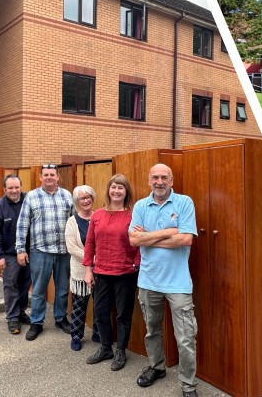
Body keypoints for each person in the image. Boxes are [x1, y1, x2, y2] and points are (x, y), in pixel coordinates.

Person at [128, 164, 198, 397]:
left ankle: (188, 386)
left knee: (186, 338)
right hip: (148, 281)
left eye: (164, 177)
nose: (159, 181)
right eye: (155, 177)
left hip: (178, 284)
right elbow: (133, 240)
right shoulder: (140, 205)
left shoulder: (184, 203)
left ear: (171, 180)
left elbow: (186, 239)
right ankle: (157, 367)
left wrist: (146, 238)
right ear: (149, 180)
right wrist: (169, 231)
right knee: (152, 331)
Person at [83, 174, 140, 371]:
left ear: (126, 192)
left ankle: (121, 351)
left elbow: (140, 243)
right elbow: (90, 243)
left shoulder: (133, 215)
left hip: (125, 273)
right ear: (108, 190)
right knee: (100, 312)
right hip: (102, 272)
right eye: (113, 187)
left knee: (123, 315)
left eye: (121, 188)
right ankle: (106, 348)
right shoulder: (97, 214)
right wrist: (88, 269)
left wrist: (136, 265)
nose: (116, 191)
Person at [16, 164, 74, 341]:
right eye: (46, 175)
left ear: (58, 177)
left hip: (64, 251)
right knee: (39, 290)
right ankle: (37, 322)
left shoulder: (67, 195)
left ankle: (60, 318)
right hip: (40, 251)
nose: (49, 177)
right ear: (40, 177)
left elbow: (74, 222)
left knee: (63, 288)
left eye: (52, 175)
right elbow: (22, 224)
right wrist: (20, 249)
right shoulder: (32, 197)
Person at [0, 174, 31, 335]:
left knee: (25, 284)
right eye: (10, 188)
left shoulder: (28, 200)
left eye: (17, 187)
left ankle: (21, 312)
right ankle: (13, 317)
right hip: (9, 254)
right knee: (10, 285)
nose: (14, 191)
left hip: (28, 252)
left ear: (21, 187)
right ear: (4, 189)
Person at [64, 185, 100, 351]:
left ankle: (98, 333)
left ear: (92, 198)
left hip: (101, 270)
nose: (85, 201)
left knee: (100, 303)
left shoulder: (99, 217)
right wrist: (92, 259)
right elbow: (71, 247)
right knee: (79, 304)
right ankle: (76, 336)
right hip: (80, 270)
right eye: (81, 198)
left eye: (88, 197)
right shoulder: (72, 222)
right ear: (76, 201)